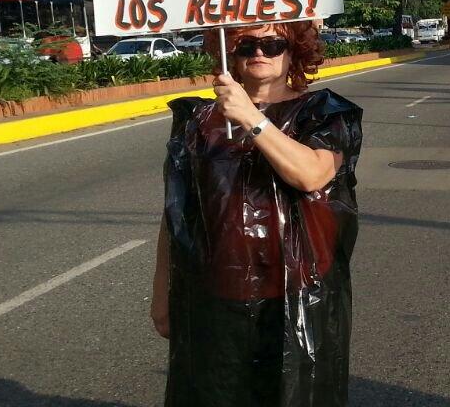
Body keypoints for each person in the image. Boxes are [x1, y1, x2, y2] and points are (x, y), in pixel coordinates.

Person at [151, 20, 362, 407]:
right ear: (230, 54)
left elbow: (312, 174)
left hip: (297, 301)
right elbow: (177, 215)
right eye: (246, 46)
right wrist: (162, 293)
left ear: (295, 50)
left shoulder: (324, 113)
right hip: (214, 300)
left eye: (273, 44)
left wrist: (251, 118)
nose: (259, 53)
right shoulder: (197, 122)